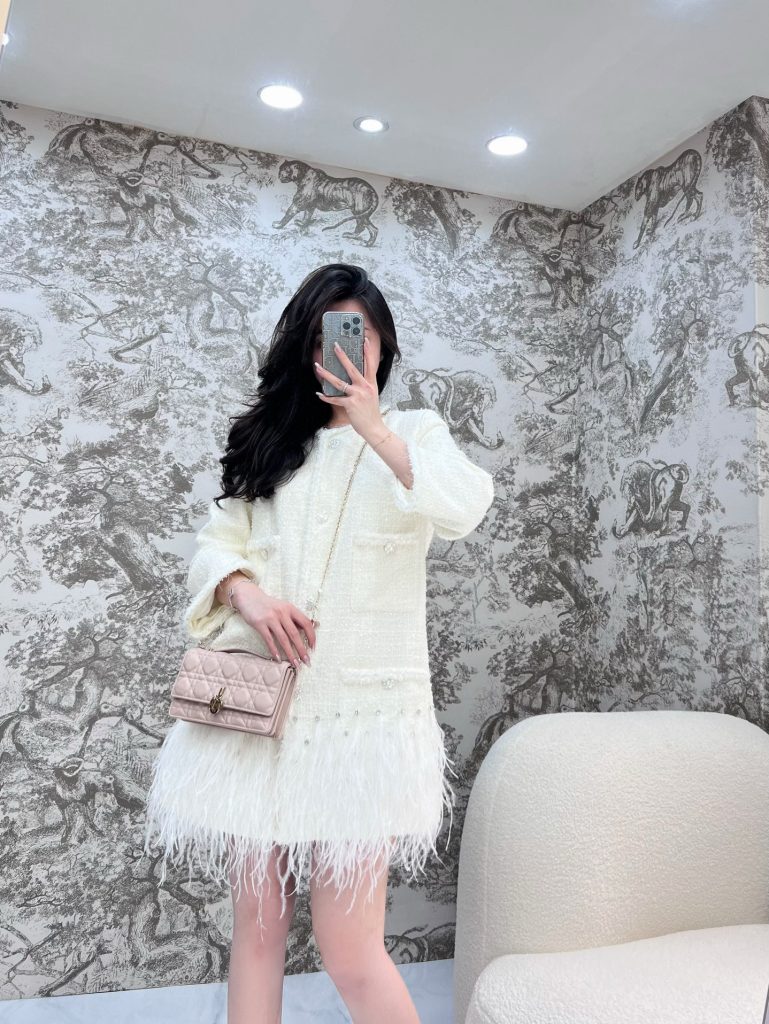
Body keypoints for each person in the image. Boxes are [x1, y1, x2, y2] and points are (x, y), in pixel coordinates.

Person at [143, 263, 495, 1023]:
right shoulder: (271, 443)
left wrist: (372, 426)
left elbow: (465, 505)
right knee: (257, 932)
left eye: (358, 333)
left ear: (382, 344)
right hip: (259, 716)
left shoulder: (413, 433)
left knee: (349, 949)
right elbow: (218, 541)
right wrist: (245, 592)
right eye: (326, 335)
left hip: (359, 729)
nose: (342, 348)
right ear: (305, 348)